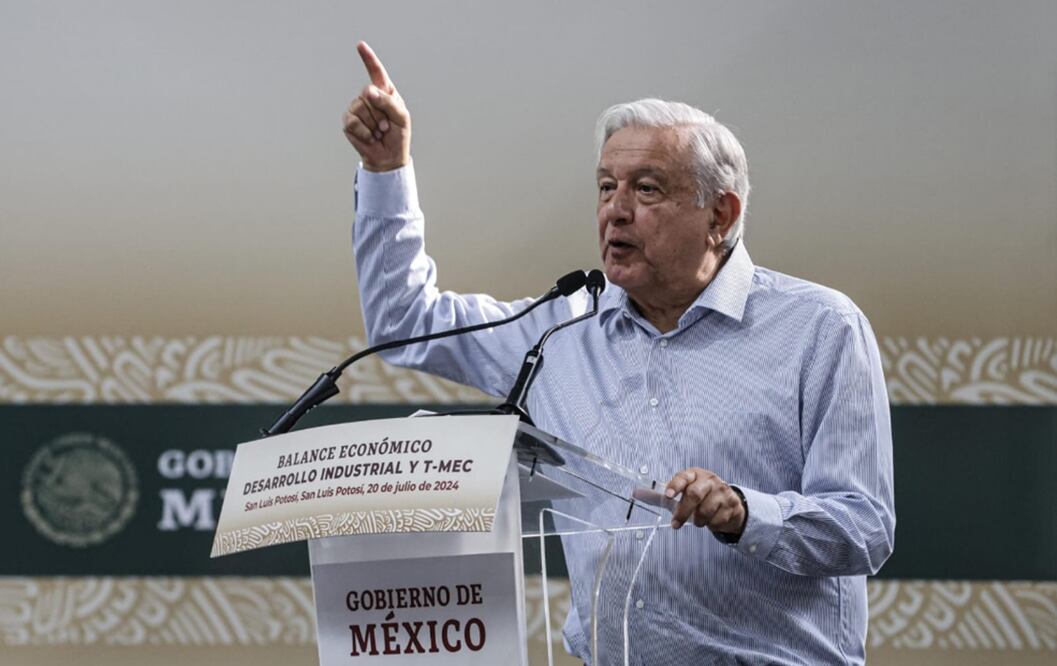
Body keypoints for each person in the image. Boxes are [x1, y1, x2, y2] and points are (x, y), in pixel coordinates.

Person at [343, 41, 895, 665]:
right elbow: (404, 323)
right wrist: (387, 172)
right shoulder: (558, 335)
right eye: (606, 187)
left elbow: (864, 527)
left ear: (721, 213)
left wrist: (744, 512)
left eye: (647, 189)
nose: (615, 210)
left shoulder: (820, 329)